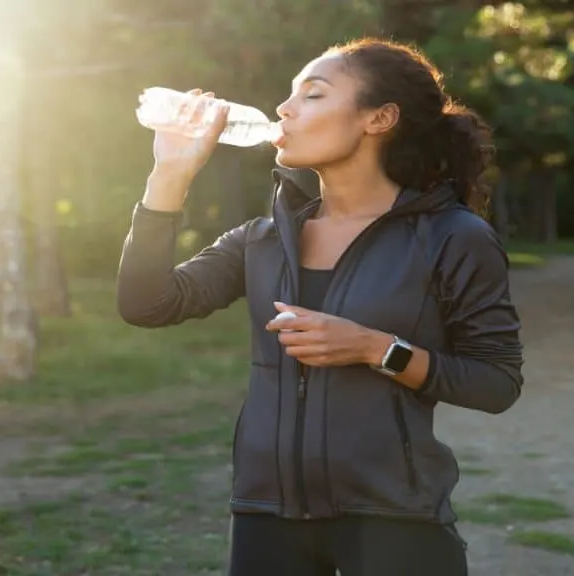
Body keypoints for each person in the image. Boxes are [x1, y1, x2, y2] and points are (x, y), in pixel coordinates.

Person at [117, 37, 524, 576]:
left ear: (379, 118)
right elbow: (147, 303)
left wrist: (376, 348)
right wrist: (170, 174)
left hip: (394, 521)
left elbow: (496, 382)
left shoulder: (453, 237)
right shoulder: (261, 239)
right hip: (266, 515)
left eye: (312, 94)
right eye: (290, 95)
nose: (285, 109)